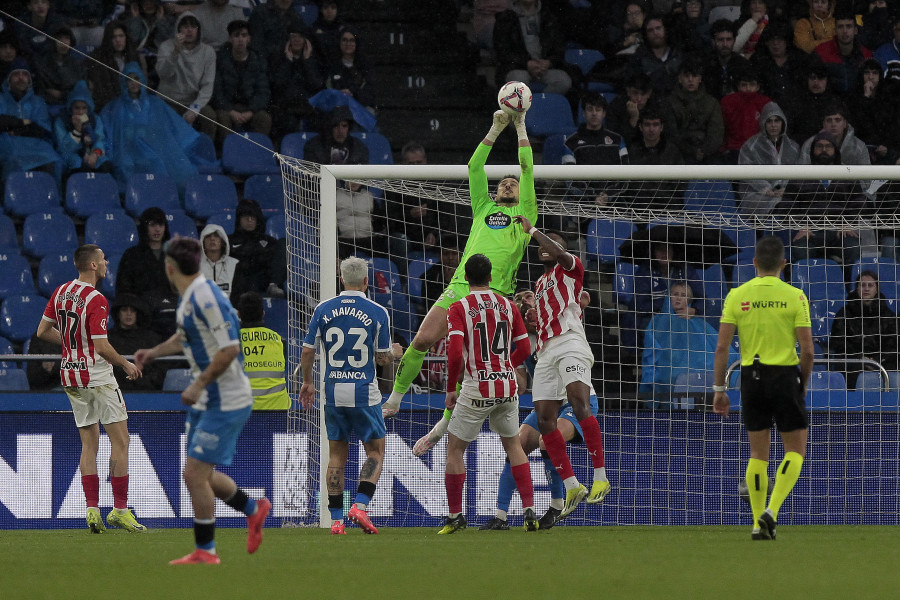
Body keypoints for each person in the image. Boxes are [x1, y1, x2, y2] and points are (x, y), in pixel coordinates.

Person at [380, 109, 537, 420]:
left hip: (496, 295)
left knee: (476, 366)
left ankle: (444, 428)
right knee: (423, 339)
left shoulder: (526, 214)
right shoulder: (483, 207)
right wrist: (495, 129)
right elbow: (474, 166)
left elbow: (526, 167)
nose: (508, 185)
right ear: (494, 192)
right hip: (460, 286)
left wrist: (520, 127)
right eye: (504, 183)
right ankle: (395, 399)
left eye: (512, 184)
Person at [134, 237, 271, 564]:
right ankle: (254, 509)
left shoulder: (207, 297)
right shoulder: (191, 296)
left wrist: (198, 384)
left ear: (169, 267)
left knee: (194, 474)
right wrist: (154, 352)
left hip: (225, 398)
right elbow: (185, 337)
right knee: (202, 475)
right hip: (209, 398)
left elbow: (230, 349)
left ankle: (206, 550)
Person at [480, 268, 604, 531]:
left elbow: (579, 299)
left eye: (530, 297)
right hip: (549, 403)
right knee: (518, 444)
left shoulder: (562, 319)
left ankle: (558, 504)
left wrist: (581, 299)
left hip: (577, 401)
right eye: (521, 302)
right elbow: (523, 385)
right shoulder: (522, 344)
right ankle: (501, 516)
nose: (527, 304)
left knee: (546, 440)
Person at [36, 244, 146, 533]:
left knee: (89, 444)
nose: (107, 262)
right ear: (93, 265)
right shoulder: (96, 299)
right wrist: (125, 364)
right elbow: (101, 346)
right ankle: (120, 510)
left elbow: (42, 331)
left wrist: (72, 346)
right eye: (103, 259)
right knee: (121, 442)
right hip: (97, 376)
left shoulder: (60, 292)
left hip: (70, 376)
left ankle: (92, 509)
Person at [713, 236, 814, 540]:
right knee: (795, 450)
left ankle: (758, 523)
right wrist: (802, 384)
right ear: (784, 264)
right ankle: (772, 510)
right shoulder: (795, 296)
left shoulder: (737, 295)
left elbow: (721, 347)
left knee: (758, 455)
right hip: (784, 376)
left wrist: (719, 388)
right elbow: (808, 350)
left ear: (754, 263)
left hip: (750, 376)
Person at [509, 216, 610, 517]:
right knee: (544, 420)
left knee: (579, 404)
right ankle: (571, 484)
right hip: (546, 351)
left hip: (570, 343)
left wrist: (534, 231)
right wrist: (531, 318)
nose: (544, 248)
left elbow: (570, 276)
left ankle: (600, 478)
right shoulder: (540, 284)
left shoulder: (570, 268)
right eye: (541, 244)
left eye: (551, 244)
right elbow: (547, 317)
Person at [436, 254, 536, 534]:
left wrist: (450, 388)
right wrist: (504, 366)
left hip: (476, 387)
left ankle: (456, 516)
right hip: (507, 386)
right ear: (491, 277)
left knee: (455, 450)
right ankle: (529, 511)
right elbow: (525, 350)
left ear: (465, 279)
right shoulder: (507, 304)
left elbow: (455, 352)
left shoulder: (458, 307)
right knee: (514, 446)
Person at [299, 256, 394, 535]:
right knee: (375, 451)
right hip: (364, 393)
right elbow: (382, 357)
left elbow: (307, 351)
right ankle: (360, 506)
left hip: (333, 392)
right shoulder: (377, 311)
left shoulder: (323, 309)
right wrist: (395, 353)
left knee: (336, 456)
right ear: (366, 282)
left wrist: (307, 382)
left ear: (341, 279)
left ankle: (337, 520)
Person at [101, 63, 214, 193]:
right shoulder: (116, 107)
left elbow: (171, 124)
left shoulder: (154, 102)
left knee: (179, 170)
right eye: (129, 79)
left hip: (157, 148)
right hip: (130, 151)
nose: (133, 83)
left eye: (136, 78)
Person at [779, 130, 870, 265]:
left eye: (828, 146)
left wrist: (848, 223)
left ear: (835, 150)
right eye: (819, 146)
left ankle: (848, 285)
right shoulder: (800, 175)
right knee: (800, 249)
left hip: (840, 231)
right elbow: (786, 206)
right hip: (810, 231)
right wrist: (801, 225)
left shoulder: (847, 173)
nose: (824, 150)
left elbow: (859, 202)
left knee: (853, 247)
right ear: (813, 150)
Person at [640, 281, 736, 402]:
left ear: (689, 300)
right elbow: (651, 352)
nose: (679, 298)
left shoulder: (699, 323)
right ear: (668, 297)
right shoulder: (657, 322)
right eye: (675, 294)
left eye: (683, 295)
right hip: (668, 372)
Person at [829, 271, 899, 390]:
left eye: (870, 285)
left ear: (877, 289)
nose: (866, 289)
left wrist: (876, 361)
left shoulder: (888, 315)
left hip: (883, 363)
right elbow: (839, 342)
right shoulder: (844, 314)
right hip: (852, 362)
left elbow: (893, 345)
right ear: (856, 289)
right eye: (862, 285)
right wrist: (860, 358)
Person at [117, 207, 179, 336]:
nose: (157, 229)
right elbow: (124, 290)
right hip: (142, 316)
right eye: (152, 225)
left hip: (172, 314)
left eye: (160, 224)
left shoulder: (175, 255)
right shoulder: (131, 255)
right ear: (145, 228)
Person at [155, 12, 216, 140]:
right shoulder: (166, 46)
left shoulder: (208, 52)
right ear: (178, 28)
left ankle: (206, 153)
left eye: (193, 26)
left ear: (198, 30)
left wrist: (195, 108)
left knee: (209, 116)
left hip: (192, 101)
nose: (189, 30)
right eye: (185, 26)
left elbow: (207, 86)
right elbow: (163, 74)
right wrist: (175, 52)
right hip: (168, 100)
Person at [0, 58, 63, 182]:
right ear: (9, 79)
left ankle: (51, 199)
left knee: (53, 159)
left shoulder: (38, 102)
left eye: (24, 74)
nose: (21, 78)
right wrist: (23, 123)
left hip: (35, 145)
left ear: (29, 79)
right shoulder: (1, 99)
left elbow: (42, 129)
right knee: (13, 159)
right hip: (7, 143)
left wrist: (15, 129)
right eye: (16, 74)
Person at [492, 0, 572, 96]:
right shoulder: (505, 18)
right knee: (519, 80)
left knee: (563, 80)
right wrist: (526, 63)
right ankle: (528, 109)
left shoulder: (549, 15)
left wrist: (549, 62)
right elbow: (503, 52)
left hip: (545, 68)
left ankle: (541, 106)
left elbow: (558, 47)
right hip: (516, 68)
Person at [212, 20, 271, 145]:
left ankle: (255, 153)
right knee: (222, 117)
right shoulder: (220, 60)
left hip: (249, 106)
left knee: (264, 118)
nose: (240, 39)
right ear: (230, 39)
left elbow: (263, 92)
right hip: (228, 107)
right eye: (236, 35)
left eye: (244, 35)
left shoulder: (257, 61)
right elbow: (217, 92)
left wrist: (251, 111)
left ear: (249, 38)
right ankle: (228, 154)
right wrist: (230, 111)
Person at [737, 101, 800, 214]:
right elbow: (747, 172)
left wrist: (785, 189)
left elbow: (797, 174)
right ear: (763, 123)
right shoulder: (750, 146)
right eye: (769, 121)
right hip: (756, 194)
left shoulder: (793, 147)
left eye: (777, 120)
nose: (773, 125)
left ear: (783, 123)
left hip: (785, 194)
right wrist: (765, 189)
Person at [267, 22, 324, 141]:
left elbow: (316, 85)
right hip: (286, 108)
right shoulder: (278, 58)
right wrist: (288, 61)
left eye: (300, 36)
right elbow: (277, 84)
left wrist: (307, 61)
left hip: (308, 107)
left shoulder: (314, 59)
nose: (297, 40)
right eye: (293, 36)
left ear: (305, 40)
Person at [665, 55, 724, 164]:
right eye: (686, 76)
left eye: (694, 76)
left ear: (700, 79)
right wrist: (691, 151)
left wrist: (704, 151)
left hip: (708, 153)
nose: (690, 80)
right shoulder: (670, 102)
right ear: (679, 79)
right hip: (680, 152)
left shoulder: (711, 103)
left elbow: (716, 133)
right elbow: (672, 134)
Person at [237, 291, 290, 410]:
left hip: (240, 413)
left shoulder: (230, 342)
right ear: (263, 313)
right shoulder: (279, 341)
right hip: (278, 412)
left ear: (238, 314)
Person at [53, 80, 113, 180]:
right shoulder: (61, 121)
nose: (81, 112)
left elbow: (100, 140)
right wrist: (77, 130)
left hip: (91, 153)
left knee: (104, 165)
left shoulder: (95, 119)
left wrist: (95, 154)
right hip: (71, 155)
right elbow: (64, 148)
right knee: (76, 164)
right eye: (77, 108)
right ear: (71, 107)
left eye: (84, 108)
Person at [229, 198, 286, 299]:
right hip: (241, 288)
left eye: (253, 217)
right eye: (246, 216)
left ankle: (274, 285)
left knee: (284, 243)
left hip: (265, 285)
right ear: (239, 219)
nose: (250, 220)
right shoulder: (229, 240)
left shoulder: (269, 241)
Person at [107, 293, 166, 391]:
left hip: (148, 392)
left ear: (137, 313)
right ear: (118, 313)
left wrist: (142, 379)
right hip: (116, 391)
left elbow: (160, 369)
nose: (128, 314)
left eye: (133, 310)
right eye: (124, 310)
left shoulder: (151, 338)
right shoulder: (108, 338)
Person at [85, 22, 147, 111]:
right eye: (113, 37)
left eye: (121, 36)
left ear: (126, 37)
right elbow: (100, 91)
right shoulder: (97, 58)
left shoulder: (134, 56)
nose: (118, 40)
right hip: (109, 107)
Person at [719, 66, 771, 163]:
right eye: (744, 85)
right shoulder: (728, 102)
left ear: (758, 87)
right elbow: (722, 127)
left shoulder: (765, 102)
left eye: (752, 85)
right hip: (733, 150)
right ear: (738, 86)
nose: (748, 88)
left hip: (758, 149)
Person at [814, 8, 873, 95]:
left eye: (848, 26)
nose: (845, 31)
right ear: (835, 31)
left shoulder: (866, 55)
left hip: (858, 104)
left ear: (855, 30)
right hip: (829, 104)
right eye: (840, 27)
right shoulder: (821, 52)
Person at [628, 13, 683, 94]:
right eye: (650, 30)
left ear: (665, 29)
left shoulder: (678, 54)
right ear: (645, 34)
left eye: (658, 28)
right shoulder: (639, 57)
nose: (655, 33)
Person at [32, 24, 84, 108]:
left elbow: (81, 92)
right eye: (59, 38)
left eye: (67, 38)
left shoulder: (77, 64)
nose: (63, 42)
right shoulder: (41, 64)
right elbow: (39, 91)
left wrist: (62, 95)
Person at [324, 28, 375, 112]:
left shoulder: (364, 65)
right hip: (337, 106)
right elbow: (327, 88)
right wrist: (340, 93)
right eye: (344, 40)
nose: (348, 43)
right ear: (339, 43)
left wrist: (352, 93)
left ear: (356, 43)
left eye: (352, 40)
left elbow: (369, 91)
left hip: (359, 106)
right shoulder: (332, 64)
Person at [304, 104, 369, 166]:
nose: (340, 131)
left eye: (344, 126)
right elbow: (311, 173)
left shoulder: (358, 147)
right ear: (330, 128)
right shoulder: (313, 146)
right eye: (335, 126)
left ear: (349, 128)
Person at [703, 19, 751, 100]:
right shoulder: (704, 64)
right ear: (713, 41)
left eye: (728, 39)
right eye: (720, 40)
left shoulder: (743, 65)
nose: (725, 44)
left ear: (734, 40)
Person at [199, 223, 240, 298]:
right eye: (208, 236)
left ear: (222, 241)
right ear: (203, 242)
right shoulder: (195, 266)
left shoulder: (235, 264)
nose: (212, 239)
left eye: (216, 236)